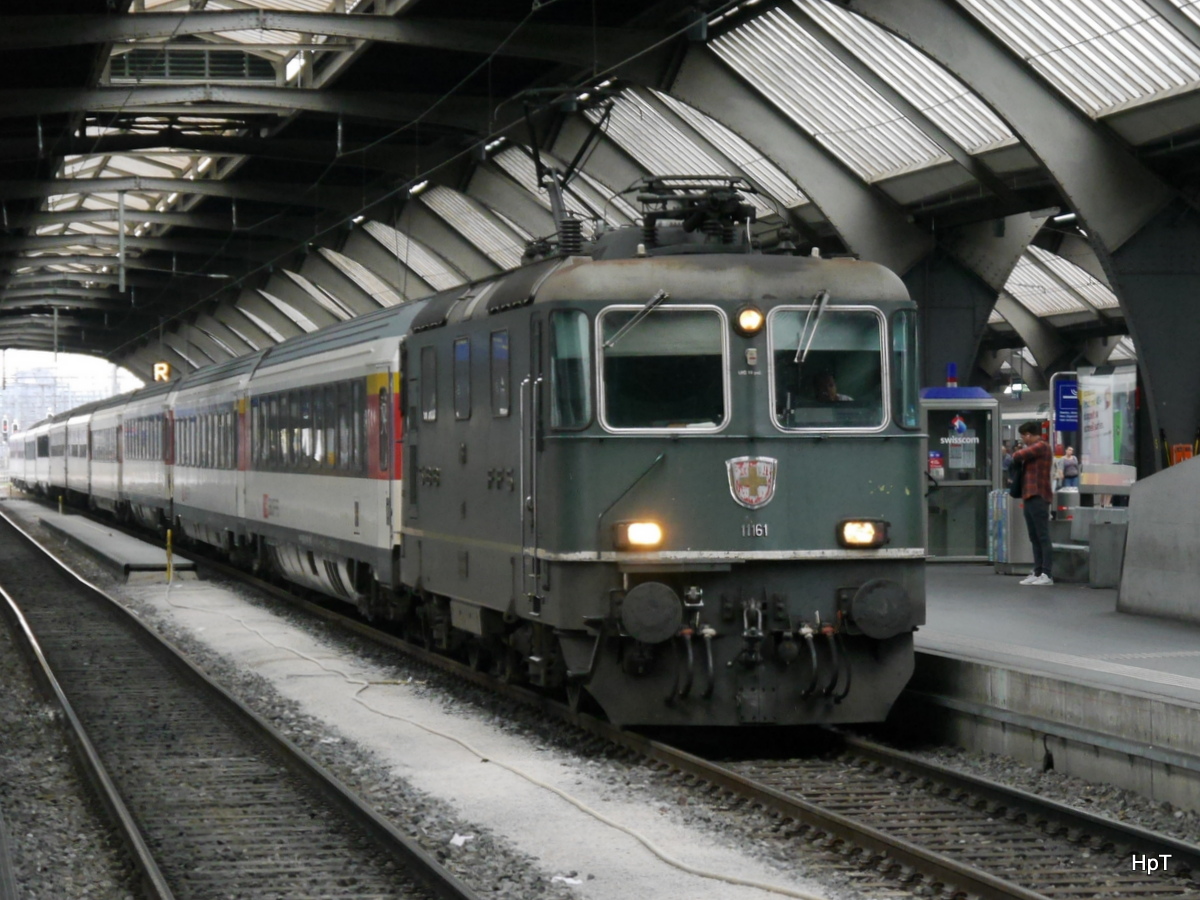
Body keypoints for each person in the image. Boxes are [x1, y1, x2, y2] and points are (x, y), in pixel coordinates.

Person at [1011, 421, 1054, 586]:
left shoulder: (1042, 446)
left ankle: (1047, 574)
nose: (1023, 440)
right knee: (1034, 536)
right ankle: (1037, 571)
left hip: (1039, 495)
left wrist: (1019, 451)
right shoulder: (1035, 450)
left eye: (1023, 436)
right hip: (1028, 495)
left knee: (1042, 536)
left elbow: (1017, 456)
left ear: (1029, 434)